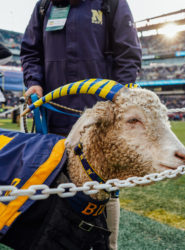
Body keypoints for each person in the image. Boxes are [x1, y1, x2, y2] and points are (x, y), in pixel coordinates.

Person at [20, 0, 142, 249]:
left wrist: (119, 100)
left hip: (99, 121)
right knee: (54, 187)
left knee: (104, 189)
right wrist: (34, 82)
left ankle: (108, 245)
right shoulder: (44, 6)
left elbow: (128, 54)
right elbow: (30, 51)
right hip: (52, 117)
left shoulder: (111, 3)